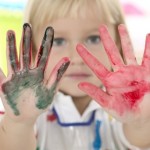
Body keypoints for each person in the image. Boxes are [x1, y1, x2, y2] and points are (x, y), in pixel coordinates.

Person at [0, 0, 150, 150]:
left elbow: (139, 140)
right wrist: (19, 123)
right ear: (33, 50)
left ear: (117, 43)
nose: (76, 58)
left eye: (93, 39)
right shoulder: (26, 108)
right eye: (58, 41)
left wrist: (140, 122)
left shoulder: (125, 104)